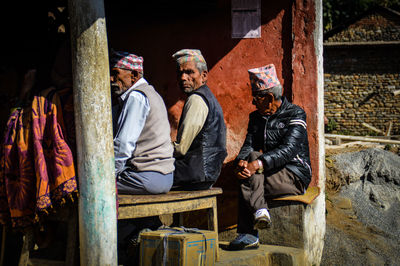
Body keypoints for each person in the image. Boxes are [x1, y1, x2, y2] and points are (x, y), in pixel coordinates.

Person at [228, 64, 312, 250]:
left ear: (269, 97)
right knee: (247, 167)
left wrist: (257, 164)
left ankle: (249, 234)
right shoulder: (256, 118)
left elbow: (289, 149)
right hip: (268, 172)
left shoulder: (295, 114)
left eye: (256, 98)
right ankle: (260, 212)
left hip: (294, 173)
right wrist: (241, 162)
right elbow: (248, 145)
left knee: (250, 175)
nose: (253, 103)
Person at [110, 50, 175, 195]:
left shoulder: (136, 96)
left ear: (133, 76)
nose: (111, 79)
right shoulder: (151, 93)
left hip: (146, 177)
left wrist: (109, 175)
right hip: (166, 177)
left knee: (94, 186)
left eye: (115, 74)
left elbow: (124, 144)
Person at [171, 49, 227, 190]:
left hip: (195, 173)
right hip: (206, 173)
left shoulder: (196, 99)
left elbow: (181, 149)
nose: (183, 77)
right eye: (180, 73)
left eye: (189, 72)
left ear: (204, 76)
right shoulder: (209, 97)